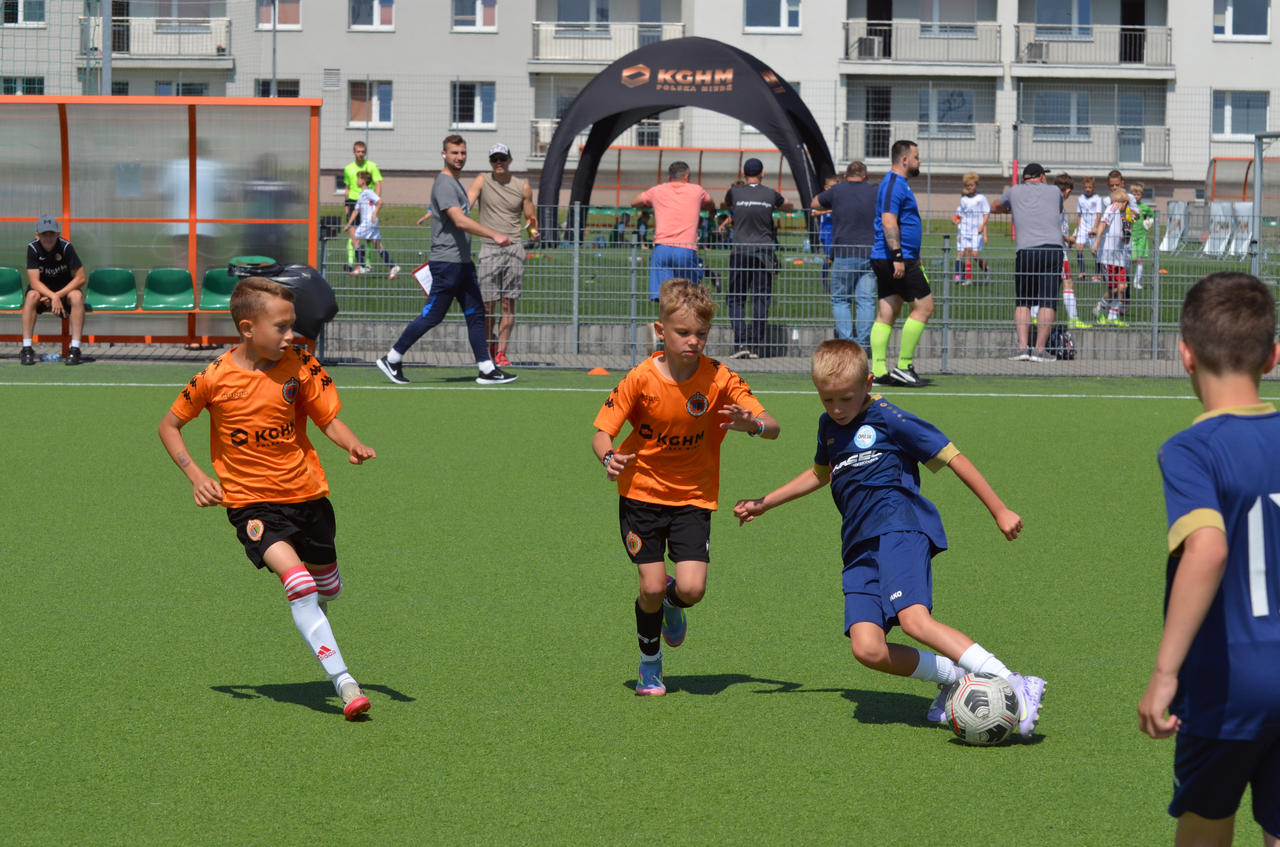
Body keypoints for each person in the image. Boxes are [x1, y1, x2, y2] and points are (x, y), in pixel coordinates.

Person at [733, 339, 1045, 734]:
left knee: (914, 621)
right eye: (827, 399)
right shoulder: (828, 426)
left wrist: (999, 510)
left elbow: (952, 456)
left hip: (900, 527)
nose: (837, 408)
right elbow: (818, 474)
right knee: (867, 648)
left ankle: (1014, 682)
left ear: (867, 383)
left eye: (846, 398)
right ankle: (954, 679)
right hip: (857, 545)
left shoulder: (888, 417)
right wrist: (765, 503)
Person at [157, 277, 377, 721]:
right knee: (299, 586)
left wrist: (351, 443)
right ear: (247, 328)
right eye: (281, 327)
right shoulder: (213, 377)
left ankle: (318, 610)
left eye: (291, 325)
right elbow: (169, 425)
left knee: (327, 588)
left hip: (308, 495)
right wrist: (196, 475)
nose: (291, 335)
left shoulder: (301, 364)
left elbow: (327, 419)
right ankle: (344, 682)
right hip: (250, 504)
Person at [1139, 272, 1280, 847]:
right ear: (1273, 356)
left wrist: (1164, 674)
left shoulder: (1192, 450)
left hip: (1227, 683)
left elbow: (1209, 546)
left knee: (1204, 826)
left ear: (1186, 356)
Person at [591, 278, 780, 696]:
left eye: (701, 333)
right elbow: (602, 434)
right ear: (661, 331)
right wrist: (609, 457)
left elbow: (773, 426)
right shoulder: (640, 378)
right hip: (640, 494)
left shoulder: (720, 378)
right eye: (683, 332)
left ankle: (672, 605)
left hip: (694, 497)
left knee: (691, 589)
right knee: (651, 585)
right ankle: (649, 665)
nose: (693, 341)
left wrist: (753, 424)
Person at [375, 135, 517, 386]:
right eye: (454, 153)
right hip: (447, 264)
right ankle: (392, 358)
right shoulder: (444, 184)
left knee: (476, 313)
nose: (459, 157)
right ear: (444, 154)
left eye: (463, 152)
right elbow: (460, 221)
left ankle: (486, 369)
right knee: (432, 316)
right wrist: (494, 234)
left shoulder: (455, 184)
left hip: (462, 263)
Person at [468, 142, 537, 369]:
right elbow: (465, 205)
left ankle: (501, 353)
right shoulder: (482, 180)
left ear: (510, 160)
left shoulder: (522, 186)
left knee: (508, 303)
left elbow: (530, 218)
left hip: (514, 248)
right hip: (489, 247)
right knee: (487, 305)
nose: (498, 162)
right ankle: (489, 345)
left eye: (502, 158)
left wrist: (533, 232)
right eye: (494, 159)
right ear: (490, 162)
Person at [869, 140, 931, 386]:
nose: (919, 160)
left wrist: (913, 254)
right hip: (893, 258)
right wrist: (899, 257)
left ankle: (878, 373)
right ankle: (904, 366)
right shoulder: (894, 183)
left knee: (888, 311)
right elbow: (888, 220)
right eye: (917, 156)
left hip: (896, 256)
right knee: (924, 307)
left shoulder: (898, 183)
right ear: (905, 159)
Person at [991, 163, 1065, 362]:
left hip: (1026, 249)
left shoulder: (1014, 191)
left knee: (1023, 301)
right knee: (1048, 301)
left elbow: (994, 207)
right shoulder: (1055, 191)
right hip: (1052, 249)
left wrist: (1011, 209)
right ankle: (1040, 351)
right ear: (1041, 177)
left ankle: (1023, 348)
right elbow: (1059, 209)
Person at [721, 158, 793, 359]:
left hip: (740, 252)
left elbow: (723, 204)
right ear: (762, 174)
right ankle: (754, 346)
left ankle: (740, 343)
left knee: (736, 298)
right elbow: (789, 205)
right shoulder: (770, 194)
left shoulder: (735, 192)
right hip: (764, 252)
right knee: (761, 298)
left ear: (744, 174)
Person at [813, 162, 879, 349]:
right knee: (866, 301)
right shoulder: (875, 190)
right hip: (870, 252)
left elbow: (814, 203)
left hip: (844, 252)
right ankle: (863, 346)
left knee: (841, 299)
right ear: (864, 176)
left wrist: (833, 202)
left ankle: (847, 344)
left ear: (845, 176)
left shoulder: (837, 190)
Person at [632, 161, 716, 299]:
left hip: (662, 248)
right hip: (685, 248)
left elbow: (634, 202)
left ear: (669, 177)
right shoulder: (696, 190)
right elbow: (711, 205)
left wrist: (652, 201)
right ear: (687, 177)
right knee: (688, 295)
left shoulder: (657, 190)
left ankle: (666, 315)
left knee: (665, 297)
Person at [21, 215, 87, 367]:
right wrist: (51, 296)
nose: (48, 237)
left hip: (63, 289)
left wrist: (57, 296)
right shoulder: (33, 248)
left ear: (58, 234)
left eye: (51, 233)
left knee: (77, 296)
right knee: (31, 296)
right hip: (42, 290)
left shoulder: (66, 247)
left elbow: (81, 278)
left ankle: (75, 349)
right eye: (44, 234)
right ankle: (27, 349)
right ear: (37, 235)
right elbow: (34, 282)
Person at [344, 170, 399, 279]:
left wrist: (374, 213)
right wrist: (348, 224)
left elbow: (380, 201)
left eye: (358, 178)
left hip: (368, 222)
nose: (356, 181)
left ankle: (362, 266)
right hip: (370, 222)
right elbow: (356, 211)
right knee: (377, 244)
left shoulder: (368, 192)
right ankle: (393, 267)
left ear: (363, 181)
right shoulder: (361, 194)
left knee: (354, 240)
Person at [1091, 187, 1132, 327]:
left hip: (1119, 258)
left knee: (1123, 286)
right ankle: (1101, 309)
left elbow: (1125, 240)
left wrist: (1128, 232)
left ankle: (1113, 316)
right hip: (1107, 258)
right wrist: (1096, 243)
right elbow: (1103, 224)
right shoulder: (1112, 208)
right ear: (1124, 202)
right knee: (1114, 289)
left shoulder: (1123, 217)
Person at [1054, 172, 1090, 330]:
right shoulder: (1058, 203)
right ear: (1068, 191)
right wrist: (1068, 239)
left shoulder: (1048, 201)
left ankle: (1035, 315)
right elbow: (1054, 228)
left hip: (1047, 248)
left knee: (1045, 283)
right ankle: (1073, 319)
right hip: (1058, 251)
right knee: (1068, 282)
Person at [343, 142, 382, 270]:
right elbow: (347, 188)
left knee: (368, 237)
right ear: (354, 152)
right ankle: (350, 263)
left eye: (363, 151)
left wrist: (375, 201)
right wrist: (346, 205)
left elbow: (378, 183)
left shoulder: (371, 166)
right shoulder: (348, 168)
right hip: (353, 202)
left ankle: (367, 264)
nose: (360, 154)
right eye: (358, 151)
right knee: (352, 234)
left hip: (367, 203)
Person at [953, 172, 990, 286]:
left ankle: (986, 270)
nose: (970, 187)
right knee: (967, 253)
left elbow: (986, 213)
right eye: (968, 185)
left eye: (972, 185)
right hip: (965, 230)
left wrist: (983, 225)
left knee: (974, 254)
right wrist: (958, 225)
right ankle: (968, 279)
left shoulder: (981, 198)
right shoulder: (964, 200)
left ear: (976, 185)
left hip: (976, 231)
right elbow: (961, 215)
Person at [1074, 176, 1105, 282]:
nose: (1087, 189)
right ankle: (1082, 273)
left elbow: (1098, 214)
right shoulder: (1080, 199)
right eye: (1086, 187)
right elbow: (1079, 215)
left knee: (1094, 251)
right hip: (1083, 228)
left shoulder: (1097, 199)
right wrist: (1077, 231)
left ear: (1094, 187)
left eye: (1090, 187)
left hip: (1093, 228)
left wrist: (1095, 227)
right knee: (1079, 248)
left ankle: (1097, 274)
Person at [1128, 181, 1155, 291]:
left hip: (1142, 238)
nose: (1136, 196)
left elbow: (1152, 215)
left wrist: (1148, 223)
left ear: (1142, 195)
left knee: (1140, 259)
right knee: (1131, 259)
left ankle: (1136, 282)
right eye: (1134, 194)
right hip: (1131, 238)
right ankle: (1125, 278)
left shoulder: (1144, 207)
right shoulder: (1128, 207)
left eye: (1138, 194)